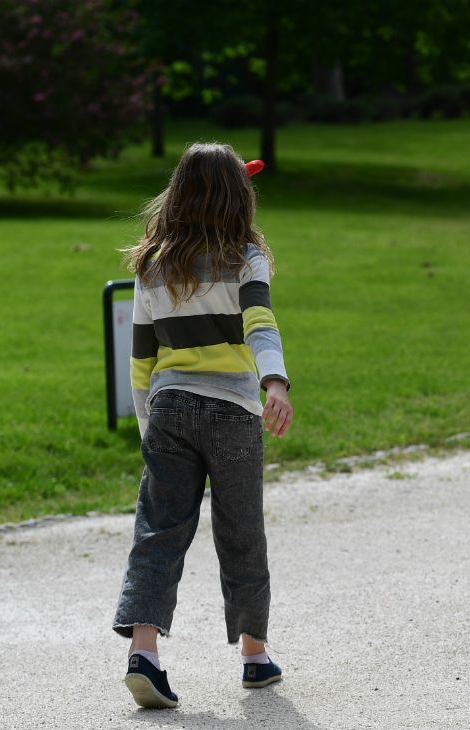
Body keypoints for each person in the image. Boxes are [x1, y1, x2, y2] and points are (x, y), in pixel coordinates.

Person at [113, 143, 293, 708]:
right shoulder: (246, 257)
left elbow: (140, 358)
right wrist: (275, 382)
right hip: (233, 413)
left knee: (159, 531)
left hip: (168, 408)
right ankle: (255, 658)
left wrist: (149, 427)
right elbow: (260, 324)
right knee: (241, 532)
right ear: (240, 197)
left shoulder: (153, 263)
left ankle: (144, 653)